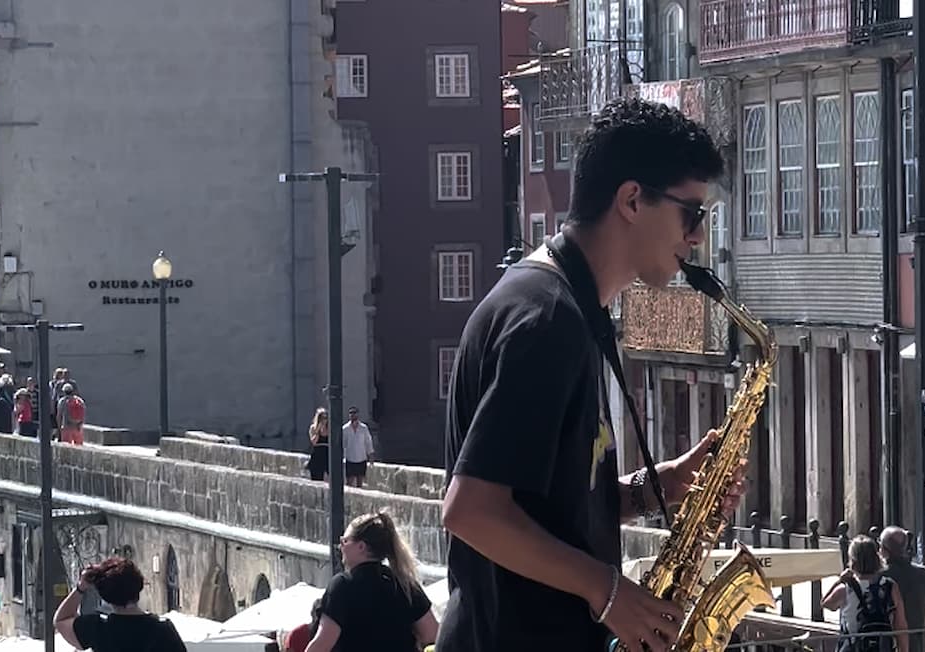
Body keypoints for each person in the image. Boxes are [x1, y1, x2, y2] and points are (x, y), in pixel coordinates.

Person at [438, 97, 745, 652]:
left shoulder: (570, 308)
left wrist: (654, 489)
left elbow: (548, 502)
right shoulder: (546, 321)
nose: (698, 237)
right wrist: (609, 593)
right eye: (691, 214)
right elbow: (471, 510)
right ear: (632, 200)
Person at [306, 512, 438, 652]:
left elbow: (321, 645)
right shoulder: (404, 584)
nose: (341, 548)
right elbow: (432, 634)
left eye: (344, 541)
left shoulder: (343, 585)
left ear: (361, 546)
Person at [54, 557, 186, 652]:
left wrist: (81, 588)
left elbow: (61, 620)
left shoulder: (97, 628)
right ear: (138, 586)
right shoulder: (163, 630)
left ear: (106, 596)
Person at [822, 535, 909, 652]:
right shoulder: (889, 586)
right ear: (876, 558)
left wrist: (839, 580)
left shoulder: (846, 589)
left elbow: (825, 603)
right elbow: (901, 625)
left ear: (853, 560)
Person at [878, 526, 925, 652]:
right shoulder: (923, 574)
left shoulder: (879, 577)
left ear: (884, 549)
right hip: (917, 642)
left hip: (888, 644)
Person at [342, 406, 375, 488]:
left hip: (361, 458)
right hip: (350, 459)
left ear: (358, 414)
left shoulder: (364, 428)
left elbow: (368, 442)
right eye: (351, 413)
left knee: (360, 482)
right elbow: (342, 444)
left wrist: (370, 454)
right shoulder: (345, 429)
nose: (353, 415)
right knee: (349, 482)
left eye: (354, 413)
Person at [307, 407, 330, 481]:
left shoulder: (329, 428)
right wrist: (318, 431)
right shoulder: (313, 428)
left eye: (326, 417)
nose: (324, 420)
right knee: (316, 478)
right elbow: (314, 442)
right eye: (322, 418)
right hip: (317, 454)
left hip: (327, 454)